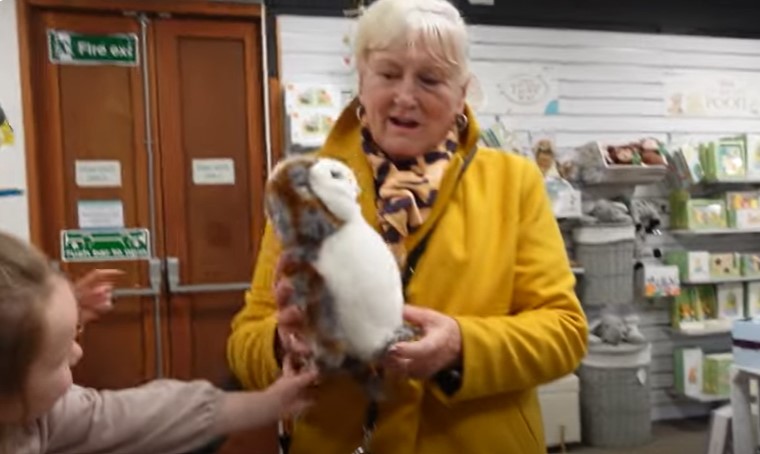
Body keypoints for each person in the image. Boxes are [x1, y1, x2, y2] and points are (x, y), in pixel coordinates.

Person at [227, 0, 588, 452]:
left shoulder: (513, 183)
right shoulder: (308, 188)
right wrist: (285, 346)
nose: (405, 96)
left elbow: (565, 331)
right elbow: (245, 336)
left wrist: (462, 346)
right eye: (388, 73)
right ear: (361, 79)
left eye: (430, 79)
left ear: (462, 93)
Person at [0, 231, 318, 454]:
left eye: (76, 332)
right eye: (56, 357)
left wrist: (271, 403)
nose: (77, 352)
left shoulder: (39, 416)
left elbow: (144, 415)